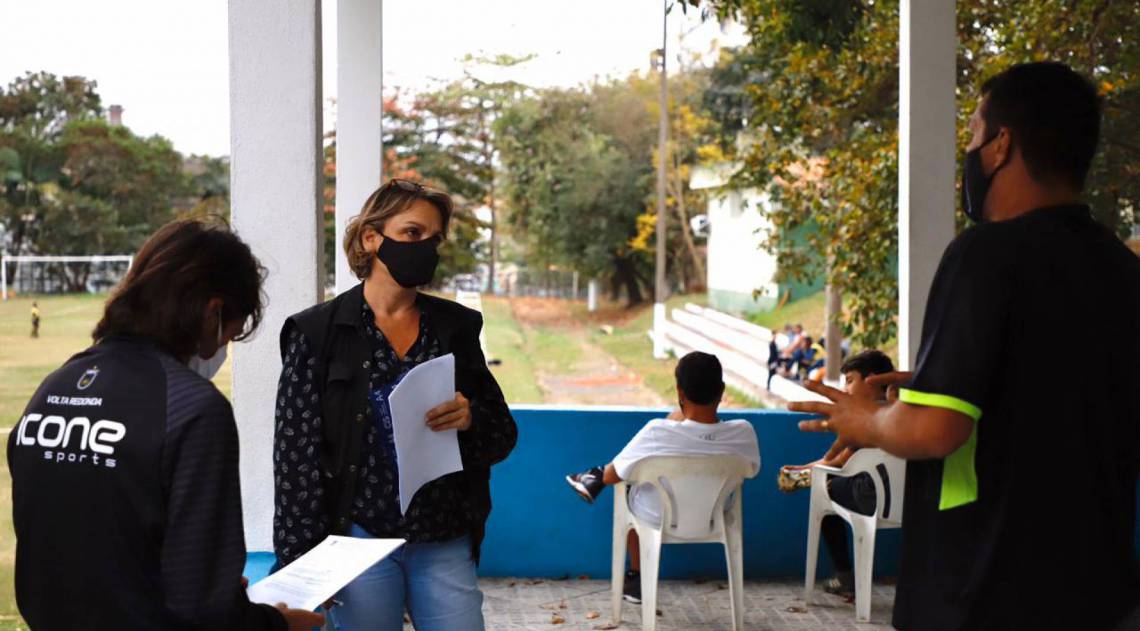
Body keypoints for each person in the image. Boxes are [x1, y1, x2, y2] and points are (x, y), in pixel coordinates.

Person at [792, 62, 1140, 630]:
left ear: (1002, 145)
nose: (970, 150)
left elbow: (933, 431)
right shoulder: (1123, 272)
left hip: (987, 590)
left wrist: (866, 420)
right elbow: (1061, 392)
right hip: (1102, 591)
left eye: (975, 133)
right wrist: (939, 381)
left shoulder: (986, 255)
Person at [6, 220, 322, 630]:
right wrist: (277, 623)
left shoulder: (59, 383)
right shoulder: (193, 407)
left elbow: (87, 539)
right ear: (214, 311)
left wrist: (207, 584)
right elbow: (201, 608)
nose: (224, 345)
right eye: (233, 330)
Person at [274, 179, 517, 631]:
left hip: (442, 535)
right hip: (357, 540)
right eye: (411, 233)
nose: (425, 247)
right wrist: (298, 565)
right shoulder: (316, 334)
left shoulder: (456, 327)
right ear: (371, 237)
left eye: (434, 238)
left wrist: (470, 418)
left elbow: (502, 435)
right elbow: (295, 458)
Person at [564, 352, 760, 604]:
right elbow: (752, 470)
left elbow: (613, 475)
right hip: (715, 516)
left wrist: (605, 473)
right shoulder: (743, 432)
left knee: (628, 483)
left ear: (679, 391)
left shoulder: (657, 432)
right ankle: (592, 478)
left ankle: (638, 577)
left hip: (659, 518)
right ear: (721, 390)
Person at [781, 350, 895, 596]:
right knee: (831, 478)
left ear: (872, 380)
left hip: (872, 498)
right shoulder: (903, 411)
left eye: (850, 380)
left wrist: (801, 472)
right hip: (908, 501)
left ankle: (844, 576)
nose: (845, 388)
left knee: (826, 487)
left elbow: (835, 462)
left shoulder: (862, 419)